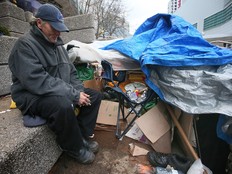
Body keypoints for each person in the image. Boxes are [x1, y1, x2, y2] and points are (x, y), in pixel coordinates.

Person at [8, 3, 102, 164]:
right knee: (62, 104)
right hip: (31, 95)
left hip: (55, 91)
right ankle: (72, 147)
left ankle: (79, 136)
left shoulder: (57, 46)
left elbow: (71, 73)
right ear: (39, 23)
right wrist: (72, 95)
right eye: (54, 27)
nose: (58, 33)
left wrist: (79, 92)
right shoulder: (24, 45)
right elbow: (38, 81)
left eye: (60, 28)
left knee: (94, 96)